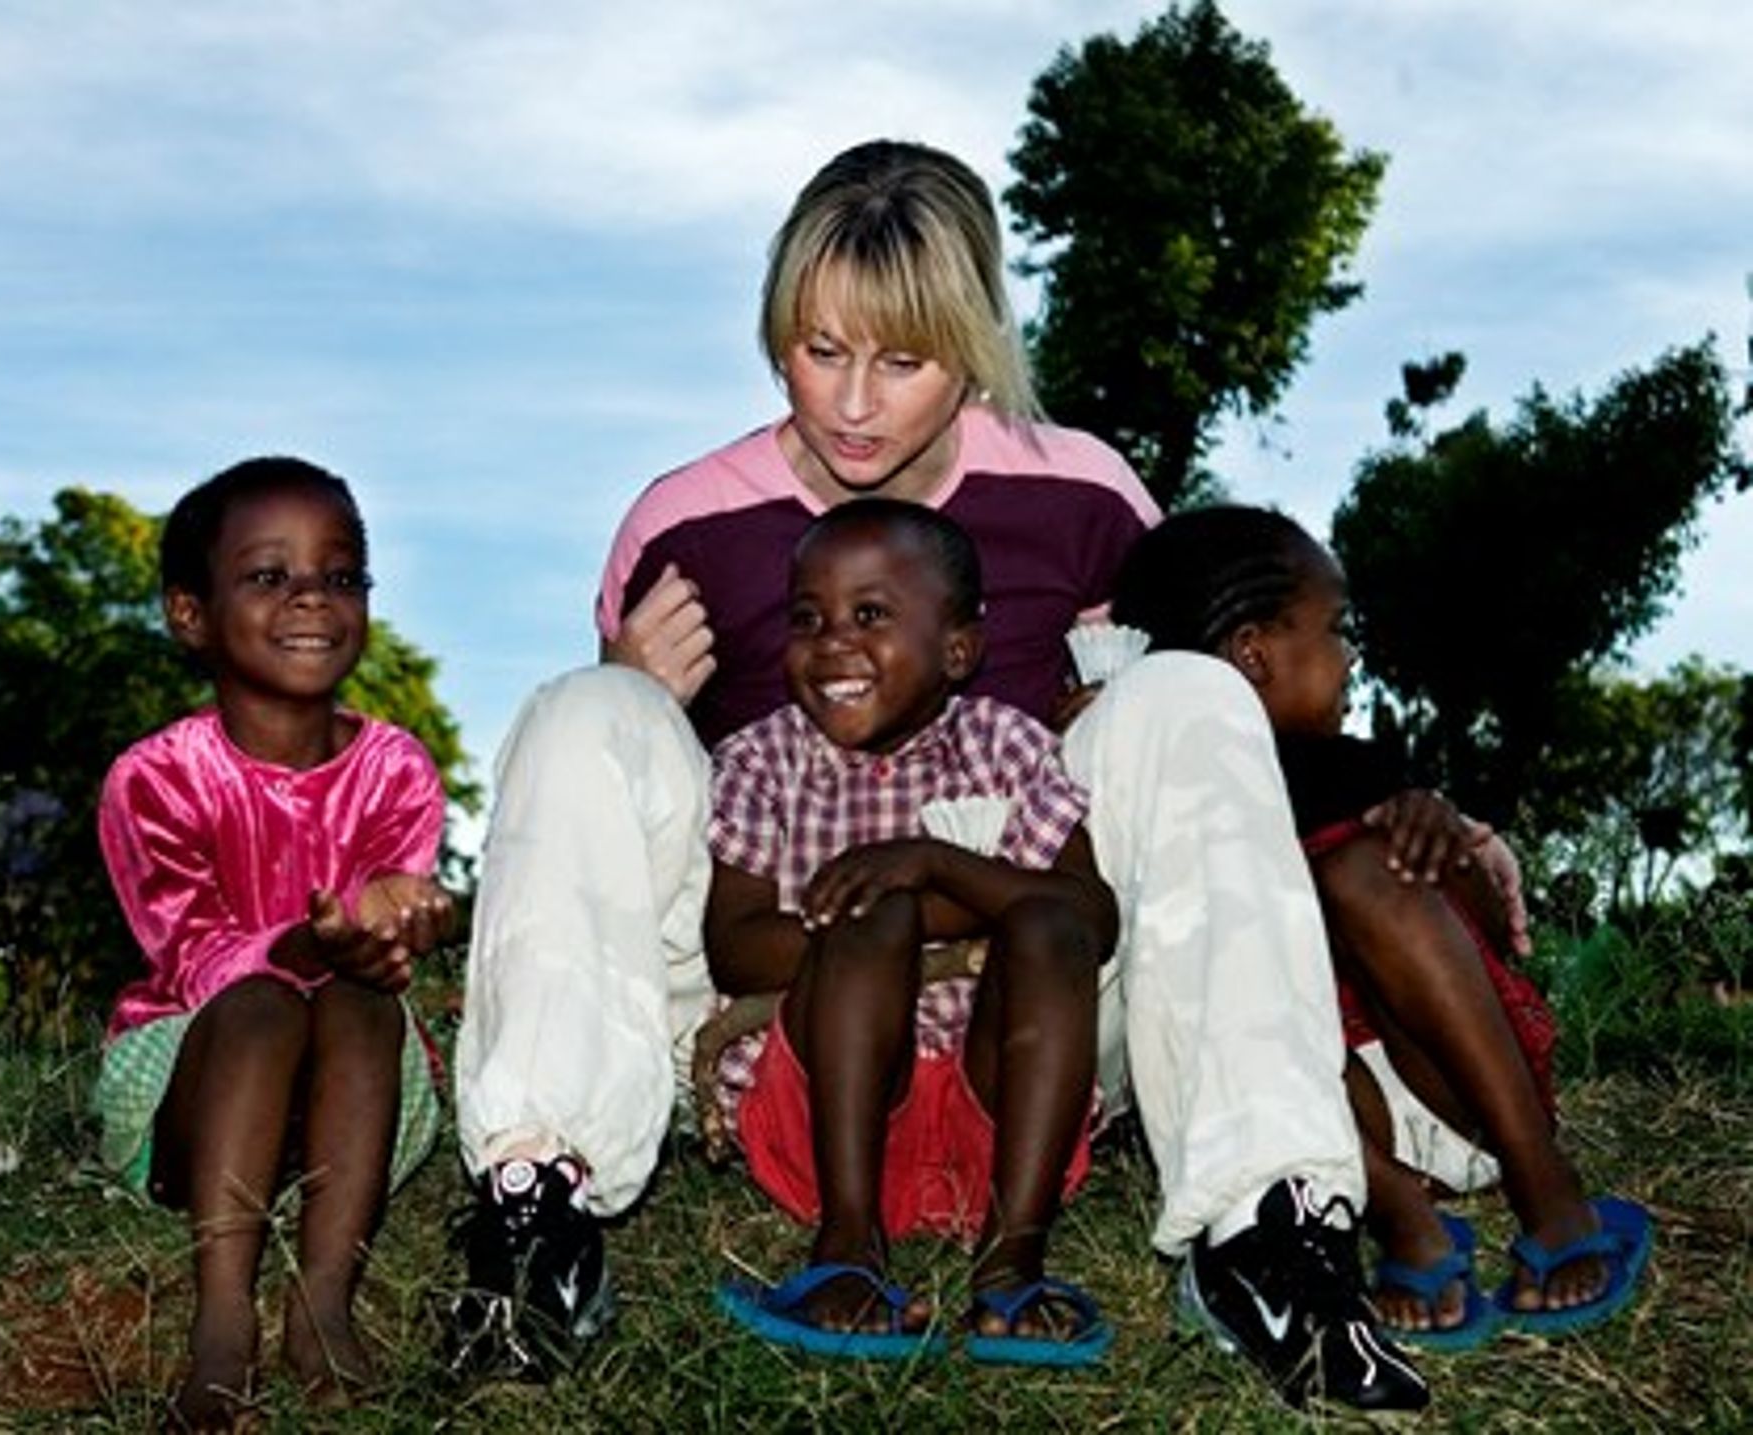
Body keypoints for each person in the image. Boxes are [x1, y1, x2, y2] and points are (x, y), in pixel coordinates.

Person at [446, 137, 1431, 1412]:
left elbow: (1190, 778)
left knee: (1188, 685)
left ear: (967, 348)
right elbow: (639, 834)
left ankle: (1270, 1223)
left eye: (899, 362)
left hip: (1042, 981)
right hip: (778, 974)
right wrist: (633, 684)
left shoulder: (1081, 497)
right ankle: (538, 1206)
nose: (852, 402)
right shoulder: (684, 524)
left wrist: (1418, 811)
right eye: (818, 350)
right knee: (585, 708)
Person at [1108, 504, 1653, 1349]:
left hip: (1457, 1082)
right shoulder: (1179, 805)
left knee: (1364, 866)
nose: (1351, 655)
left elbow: (1446, 901)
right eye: (1334, 630)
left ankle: (1548, 1190)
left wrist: (1434, 825)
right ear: (1254, 653)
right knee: (1220, 953)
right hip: (1333, 1133)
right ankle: (1404, 1213)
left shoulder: (1358, 767)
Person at [704, 500, 1115, 1364]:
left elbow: (1090, 918)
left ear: (959, 648)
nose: (832, 642)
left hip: (1000, 1121)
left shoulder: (1008, 746)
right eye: (807, 617)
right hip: (825, 1118)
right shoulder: (761, 759)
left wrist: (938, 864)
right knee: (874, 908)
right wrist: (895, 917)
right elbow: (736, 946)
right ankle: (847, 1246)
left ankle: (1014, 1261)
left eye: (871, 615)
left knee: (1046, 923)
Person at [92, 457, 454, 1427]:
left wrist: (407, 923)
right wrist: (310, 944)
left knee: (360, 997)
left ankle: (323, 1295)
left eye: (341, 576)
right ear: (189, 614)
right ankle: (222, 1322)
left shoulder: (396, 769)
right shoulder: (155, 778)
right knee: (258, 1001)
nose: (311, 597)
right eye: (268, 575)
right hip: (194, 1086)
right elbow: (192, 952)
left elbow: (390, 926)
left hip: (357, 1100)